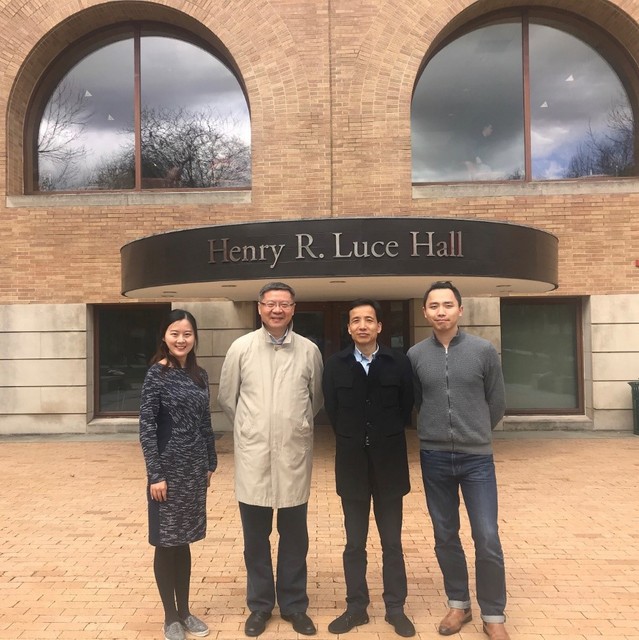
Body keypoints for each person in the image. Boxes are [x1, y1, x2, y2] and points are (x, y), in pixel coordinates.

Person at [217, 282, 324, 637]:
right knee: (255, 538)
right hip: (255, 457)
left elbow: (316, 399)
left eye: (284, 304)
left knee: (295, 538)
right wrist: (252, 428)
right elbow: (227, 398)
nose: (277, 310)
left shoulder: (308, 350)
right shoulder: (241, 348)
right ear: (259, 307)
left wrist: (295, 425)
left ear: (294, 308)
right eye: (270, 303)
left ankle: (294, 606)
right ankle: (260, 606)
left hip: (294, 456)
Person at [407, 281, 510, 640]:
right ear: (425, 312)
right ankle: (459, 604)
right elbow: (418, 401)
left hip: (476, 459)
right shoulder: (415, 355)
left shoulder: (483, 351)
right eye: (434, 306)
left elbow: (497, 402)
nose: (441, 311)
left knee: (487, 535)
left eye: (448, 305)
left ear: (460, 310)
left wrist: (475, 431)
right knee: (445, 534)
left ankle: (493, 615)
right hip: (434, 457)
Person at [322, 299, 416, 637]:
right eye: (356, 321)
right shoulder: (335, 365)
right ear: (348, 328)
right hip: (352, 465)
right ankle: (356, 607)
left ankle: (395, 608)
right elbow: (332, 409)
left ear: (379, 326)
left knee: (392, 542)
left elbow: (407, 405)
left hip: (390, 464)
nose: (362, 325)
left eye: (369, 320)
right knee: (354, 543)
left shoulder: (398, 362)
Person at [139, 309, 218, 640]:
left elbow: (205, 422)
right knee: (165, 542)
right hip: (167, 473)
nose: (181, 340)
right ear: (164, 336)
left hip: (194, 471)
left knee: (183, 540)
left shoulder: (200, 375)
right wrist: (155, 474)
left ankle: (185, 611)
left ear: (194, 337)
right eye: (175, 333)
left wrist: (210, 463)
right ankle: (170, 617)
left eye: (187, 334)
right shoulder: (156, 374)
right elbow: (147, 427)